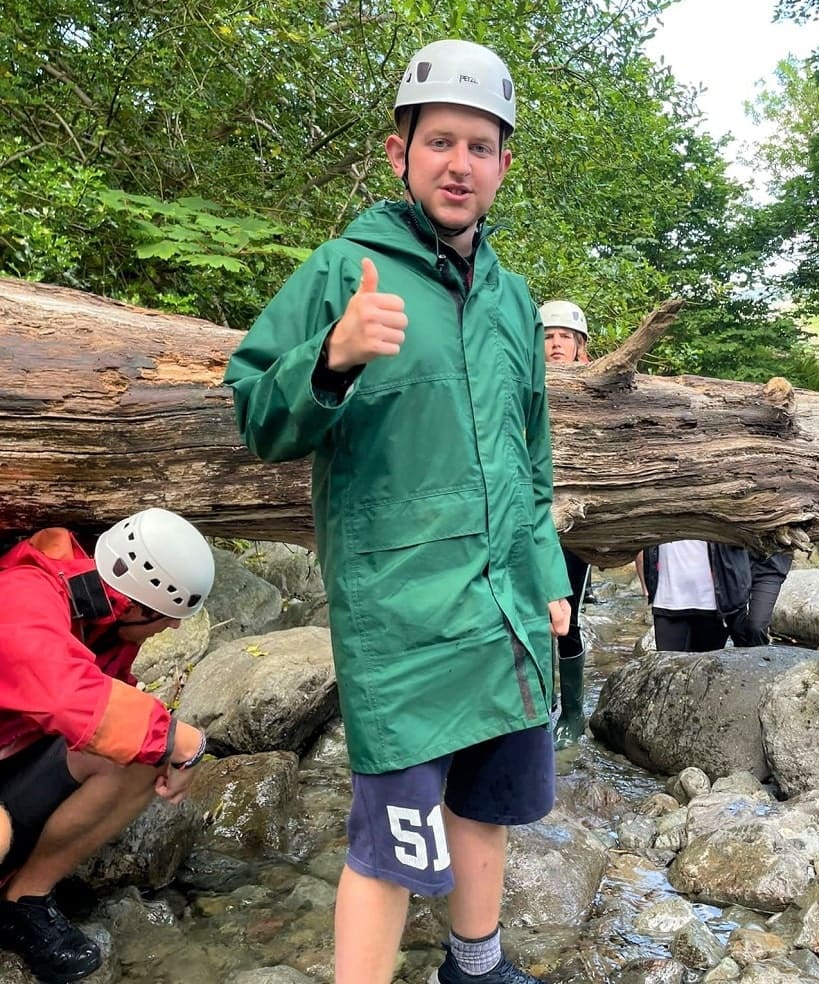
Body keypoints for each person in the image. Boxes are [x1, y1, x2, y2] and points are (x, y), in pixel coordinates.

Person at [223, 39, 571, 984]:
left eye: (481, 146)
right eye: (441, 142)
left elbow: (530, 459)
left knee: (489, 803)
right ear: (399, 153)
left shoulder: (514, 301)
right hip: (401, 614)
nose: (461, 164)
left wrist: (546, 574)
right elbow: (257, 415)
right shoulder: (343, 270)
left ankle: (477, 962)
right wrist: (329, 357)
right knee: (389, 842)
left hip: (505, 603)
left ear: (504, 164)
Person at [0, 507, 214, 984]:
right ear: (136, 604)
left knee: (141, 757)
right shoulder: (24, 592)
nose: (174, 629)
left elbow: (108, 709)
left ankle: (23, 900)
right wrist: (179, 736)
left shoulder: (105, 618)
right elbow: (63, 692)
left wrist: (163, 741)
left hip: (15, 762)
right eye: (168, 617)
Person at [540, 300, 592, 748]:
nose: (555, 345)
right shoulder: (522, 385)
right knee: (529, 616)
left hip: (576, 524)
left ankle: (572, 713)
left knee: (567, 619)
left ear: (580, 347)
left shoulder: (593, 391)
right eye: (548, 337)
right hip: (530, 516)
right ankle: (539, 707)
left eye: (564, 338)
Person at [636, 541, 752, 652]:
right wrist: (645, 583)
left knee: (708, 670)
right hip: (667, 599)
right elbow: (640, 537)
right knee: (669, 668)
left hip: (712, 601)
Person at [726, 551, 793, 646]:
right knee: (736, 627)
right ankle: (742, 657)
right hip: (735, 562)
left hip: (770, 568)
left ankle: (759, 657)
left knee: (757, 627)